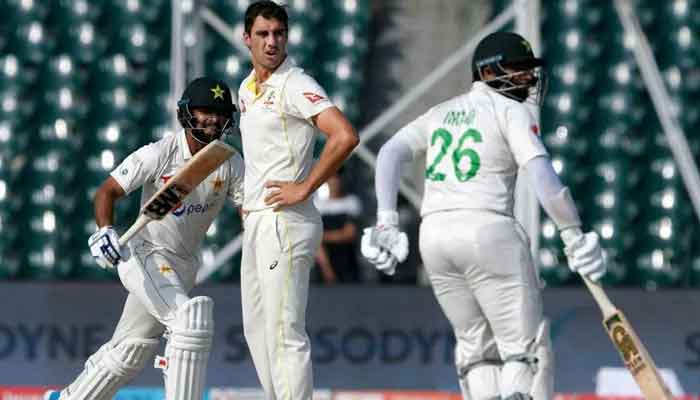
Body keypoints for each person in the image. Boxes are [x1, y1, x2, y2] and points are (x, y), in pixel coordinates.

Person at [361, 32, 606, 400]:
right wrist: (572, 233)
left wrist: (387, 221)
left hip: (435, 237)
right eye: (519, 70)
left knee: (476, 352)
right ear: (490, 72)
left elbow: (390, 153)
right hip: (488, 231)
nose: (528, 79)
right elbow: (544, 180)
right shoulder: (511, 111)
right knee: (526, 351)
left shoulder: (441, 112)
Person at [45, 77, 244, 400]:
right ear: (187, 113)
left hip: (184, 265)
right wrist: (104, 230)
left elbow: (247, 210)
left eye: (220, 113)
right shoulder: (160, 153)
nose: (212, 119)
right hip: (145, 254)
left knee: (129, 351)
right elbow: (107, 192)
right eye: (205, 110)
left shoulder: (230, 162)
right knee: (188, 323)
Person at [237, 1, 359, 399]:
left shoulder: (296, 84)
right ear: (247, 39)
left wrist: (305, 186)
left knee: (283, 334)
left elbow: (344, 135)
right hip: (258, 220)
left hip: (286, 220)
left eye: (279, 34)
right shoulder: (246, 88)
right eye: (263, 34)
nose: (272, 42)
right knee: (259, 334)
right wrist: (247, 199)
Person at [314, 171, 362, 283]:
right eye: (331, 180)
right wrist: (326, 268)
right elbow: (316, 241)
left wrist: (322, 236)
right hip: (323, 265)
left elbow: (350, 234)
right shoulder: (317, 204)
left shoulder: (351, 202)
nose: (334, 184)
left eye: (337, 180)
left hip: (348, 263)